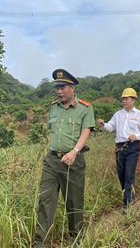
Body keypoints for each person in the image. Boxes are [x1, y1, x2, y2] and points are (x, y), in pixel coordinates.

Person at [33, 69, 95, 247]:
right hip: (52, 161)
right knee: (45, 200)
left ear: (72, 88)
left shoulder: (85, 108)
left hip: (73, 161)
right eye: (57, 87)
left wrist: (75, 151)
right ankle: (40, 243)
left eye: (63, 87)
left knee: (74, 202)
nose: (59, 91)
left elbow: (86, 130)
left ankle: (76, 239)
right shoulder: (53, 106)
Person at [97, 88, 140, 208]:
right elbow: (110, 127)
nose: (124, 101)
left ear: (133, 100)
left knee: (129, 174)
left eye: (126, 99)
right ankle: (128, 195)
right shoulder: (118, 114)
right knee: (121, 174)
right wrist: (103, 125)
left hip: (132, 146)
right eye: (123, 99)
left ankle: (127, 204)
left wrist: (136, 136)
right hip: (120, 148)